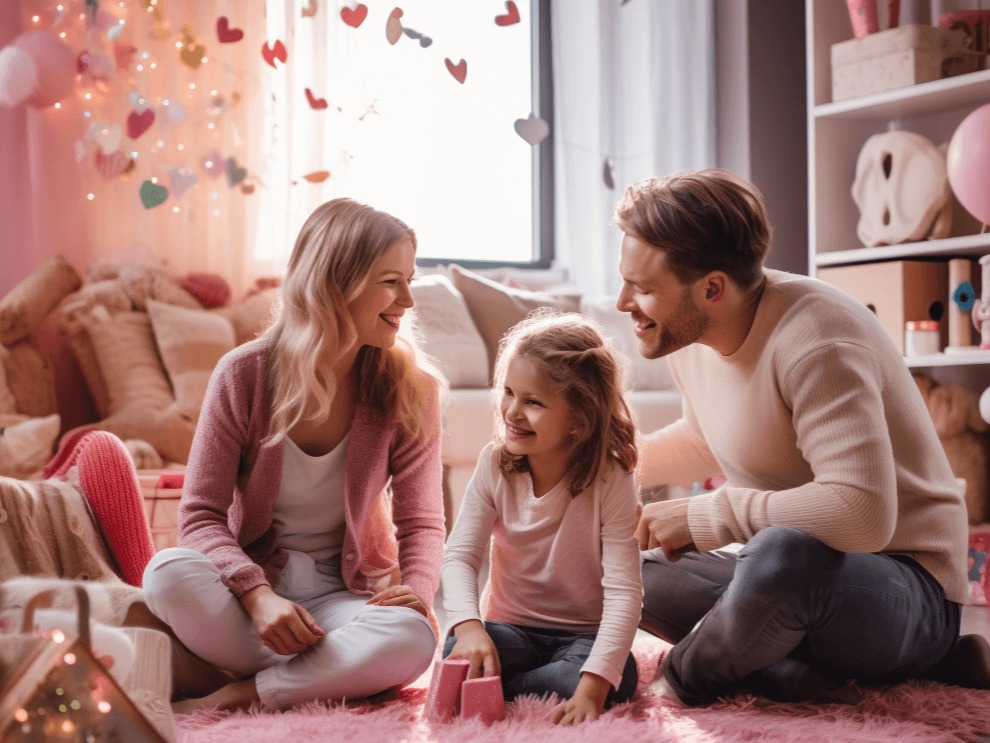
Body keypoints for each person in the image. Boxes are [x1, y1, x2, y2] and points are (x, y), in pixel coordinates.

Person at [612, 167, 988, 706]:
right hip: (801, 583)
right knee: (619, 564)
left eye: (644, 288)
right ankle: (779, 672)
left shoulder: (816, 339)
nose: (624, 302)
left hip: (909, 587)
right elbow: (705, 440)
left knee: (782, 560)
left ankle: (684, 679)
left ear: (712, 288)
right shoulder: (689, 335)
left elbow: (861, 512)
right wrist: (601, 473)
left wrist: (707, 517)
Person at [142, 198, 446, 713]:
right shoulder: (243, 375)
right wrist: (258, 596)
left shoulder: (409, 390)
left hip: (344, 601)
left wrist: (414, 593)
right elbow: (200, 515)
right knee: (168, 573)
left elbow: (422, 524)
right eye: (392, 281)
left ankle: (240, 691)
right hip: (247, 598)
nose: (408, 301)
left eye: (409, 280)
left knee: (412, 637)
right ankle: (330, 674)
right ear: (336, 282)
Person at [440, 310, 643, 726]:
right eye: (509, 392)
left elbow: (625, 593)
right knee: (456, 647)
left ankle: (501, 687)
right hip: (510, 631)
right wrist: (470, 627)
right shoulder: (494, 463)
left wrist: (591, 686)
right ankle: (509, 678)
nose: (512, 411)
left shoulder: (611, 477)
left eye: (533, 401)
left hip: (582, 639)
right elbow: (460, 555)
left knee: (608, 677)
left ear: (580, 419)